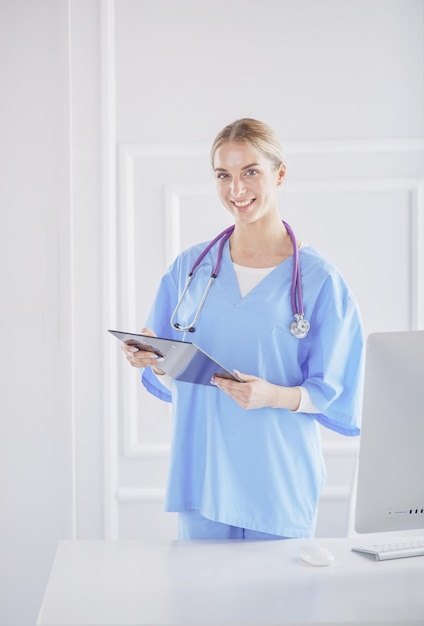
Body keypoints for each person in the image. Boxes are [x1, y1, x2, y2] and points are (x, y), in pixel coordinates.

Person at [122, 118, 364, 540]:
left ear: (280, 173)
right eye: (224, 175)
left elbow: (335, 389)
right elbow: (169, 367)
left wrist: (270, 395)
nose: (237, 189)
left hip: (276, 475)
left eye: (250, 171)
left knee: (280, 603)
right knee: (203, 604)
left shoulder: (319, 279)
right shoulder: (190, 268)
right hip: (203, 470)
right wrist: (152, 359)